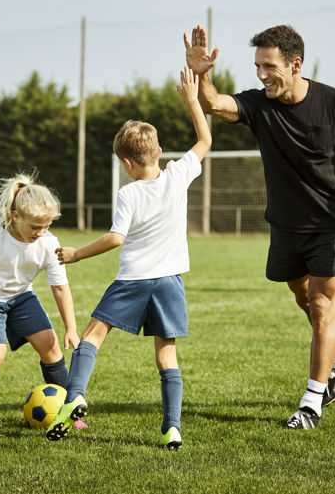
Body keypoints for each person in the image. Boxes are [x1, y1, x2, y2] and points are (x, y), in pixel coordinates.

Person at [184, 24, 335, 430]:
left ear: (295, 64)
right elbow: (215, 104)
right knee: (302, 293)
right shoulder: (261, 105)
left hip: (331, 222)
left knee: (324, 304)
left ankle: (311, 404)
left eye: (269, 66)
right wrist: (202, 73)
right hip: (286, 225)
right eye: (257, 66)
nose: (261, 75)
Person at [45, 66, 211, 450]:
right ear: (157, 152)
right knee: (166, 355)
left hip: (134, 279)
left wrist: (76, 254)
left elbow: (117, 238)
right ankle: (172, 428)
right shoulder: (178, 175)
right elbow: (205, 138)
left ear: (128, 164)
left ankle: (75, 397)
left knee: (92, 335)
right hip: (170, 281)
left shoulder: (129, 193)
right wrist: (191, 97)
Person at [0, 172, 84, 429]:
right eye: (35, 227)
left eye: (47, 226)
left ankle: (67, 411)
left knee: (51, 346)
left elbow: (60, 287)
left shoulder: (49, 243)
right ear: (15, 215)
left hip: (21, 297)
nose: (41, 232)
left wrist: (71, 327)